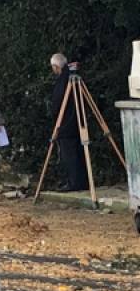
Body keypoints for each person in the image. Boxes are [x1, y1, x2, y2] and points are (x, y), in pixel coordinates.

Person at [50, 53, 88, 191]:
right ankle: (83, 181)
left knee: (70, 156)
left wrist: (57, 125)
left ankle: (74, 183)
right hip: (79, 123)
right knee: (79, 153)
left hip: (66, 126)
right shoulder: (71, 79)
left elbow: (58, 104)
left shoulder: (62, 82)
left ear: (56, 67)